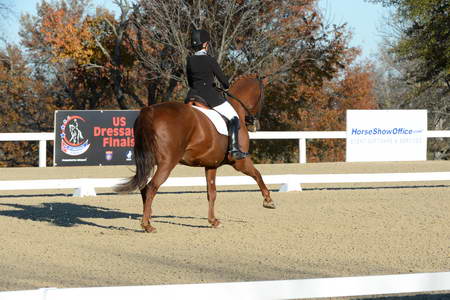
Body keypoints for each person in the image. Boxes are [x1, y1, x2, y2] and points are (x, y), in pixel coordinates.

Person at [185, 29, 248, 160]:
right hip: (209, 96)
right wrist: (225, 85)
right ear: (205, 44)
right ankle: (234, 149)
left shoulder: (190, 60)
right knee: (234, 117)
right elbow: (224, 81)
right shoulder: (210, 60)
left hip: (191, 95)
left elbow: (190, 81)